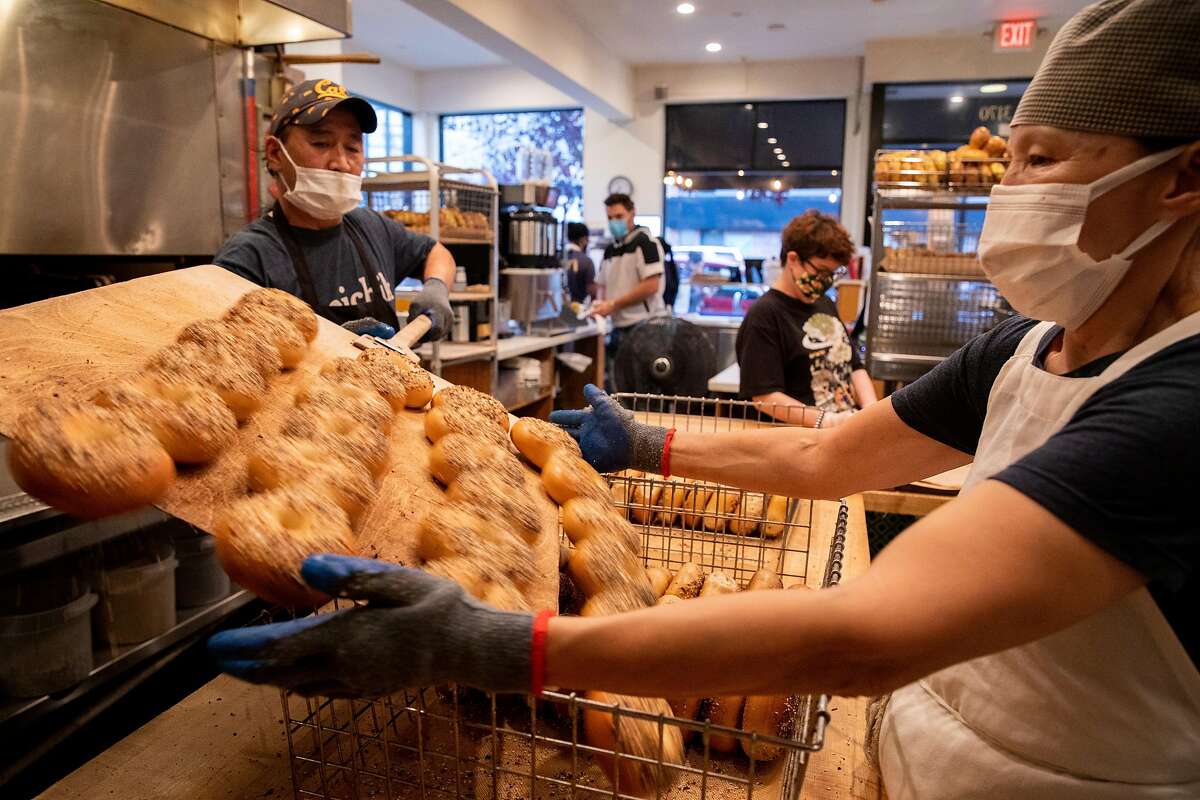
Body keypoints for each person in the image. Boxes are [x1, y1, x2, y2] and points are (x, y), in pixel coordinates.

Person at [209, 2, 1200, 796]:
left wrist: (498, 643)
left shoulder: (1178, 406)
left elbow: (864, 634)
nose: (1009, 190)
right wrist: (646, 446)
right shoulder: (1023, 349)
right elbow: (826, 457)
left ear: (1181, 178)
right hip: (915, 755)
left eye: (1048, 160)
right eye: (1010, 157)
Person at [214, 79, 455, 341]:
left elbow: (435, 252)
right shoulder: (248, 258)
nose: (341, 162)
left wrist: (436, 287)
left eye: (352, 147)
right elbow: (231, 357)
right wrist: (326, 345)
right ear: (275, 153)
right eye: (321, 143)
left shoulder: (372, 226)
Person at [736, 210, 877, 427]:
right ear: (793, 259)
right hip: (800, 441)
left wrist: (870, 413)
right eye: (821, 271)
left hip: (843, 430)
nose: (826, 281)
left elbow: (854, 366)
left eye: (832, 273)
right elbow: (765, 397)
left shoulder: (825, 303)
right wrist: (828, 421)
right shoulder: (764, 316)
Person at [591, 193, 668, 364]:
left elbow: (651, 286)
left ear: (632, 213)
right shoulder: (610, 249)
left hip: (645, 327)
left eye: (619, 216)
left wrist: (613, 304)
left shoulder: (646, 243)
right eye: (610, 218)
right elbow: (601, 285)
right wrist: (599, 305)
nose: (614, 222)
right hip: (618, 327)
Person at [563, 222, 596, 304]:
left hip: (556, 308)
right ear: (583, 239)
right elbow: (592, 290)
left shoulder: (558, 257)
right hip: (577, 309)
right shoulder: (586, 261)